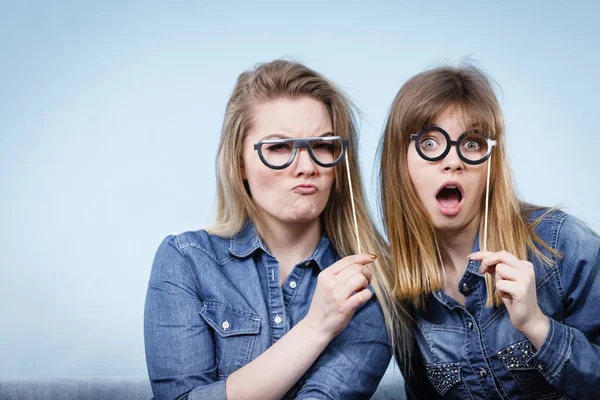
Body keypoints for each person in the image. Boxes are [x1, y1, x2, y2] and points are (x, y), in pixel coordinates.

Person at [144, 59, 394, 400]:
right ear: (239, 164)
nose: (306, 167)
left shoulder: (369, 282)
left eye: (322, 145)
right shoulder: (186, 261)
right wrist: (316, 327)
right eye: (278, 147)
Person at [377, 64, 600, 399]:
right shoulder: (400, 291)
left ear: (490, 163)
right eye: (430, 142)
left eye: (471, 143)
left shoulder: (562, 245)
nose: (453, 161)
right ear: (400, 162)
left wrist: (537, 326)